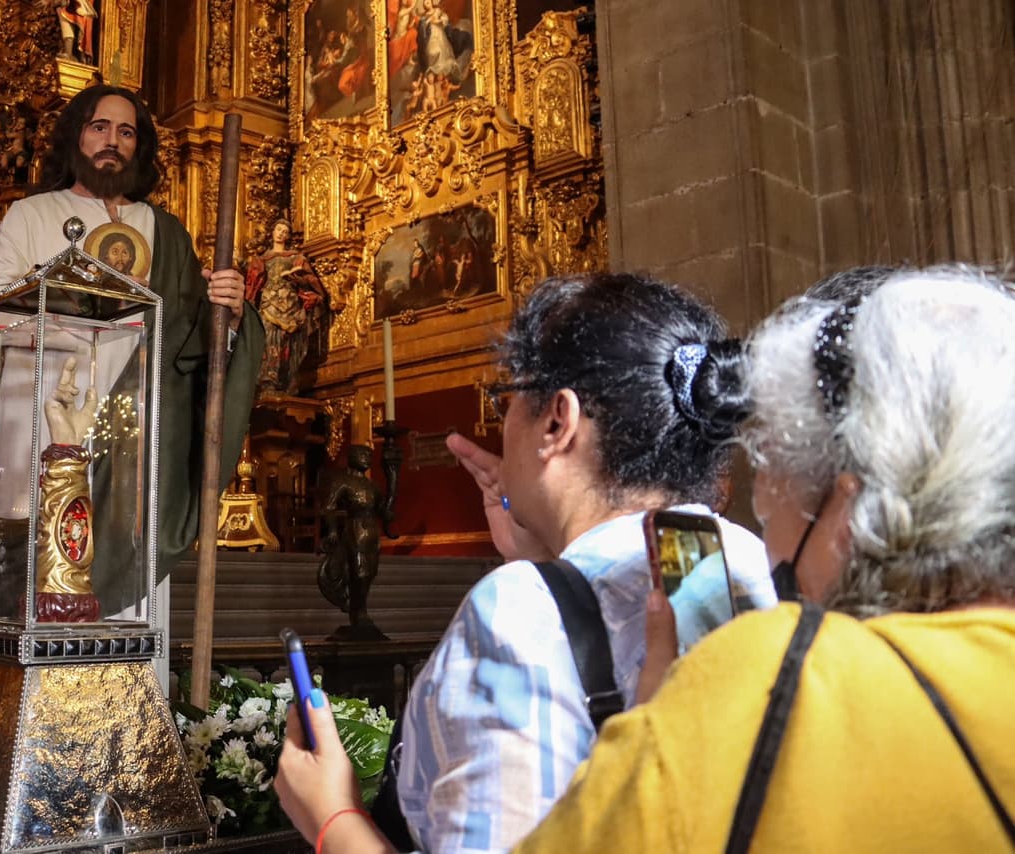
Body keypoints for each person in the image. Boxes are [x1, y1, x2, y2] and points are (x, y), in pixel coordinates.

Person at [509, 264, 1015, 851]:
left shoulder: (769, 683)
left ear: (846, 510)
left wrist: (655, 743)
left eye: (772, 504)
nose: (766, 537)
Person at [277, 271, 776, 852]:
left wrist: (333, 819)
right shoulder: (749, 562)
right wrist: (551, 562)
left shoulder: (516, 615)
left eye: (505, 401)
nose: (501, 425)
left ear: (558, 421)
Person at [0, 83, 265, 586]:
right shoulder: (32, 215)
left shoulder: (164, 231)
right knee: (49, 588)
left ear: (139, 146)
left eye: (126, 132)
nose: (113, 140)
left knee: (137, 598)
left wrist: (231, 315)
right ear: (76, 136)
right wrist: (75, 313)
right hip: (53, 428)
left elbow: (192, 346)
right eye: (100, 127)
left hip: (143, 442)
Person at [244, 218, 327, 395]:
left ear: (288, 236)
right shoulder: (263, 259)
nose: (281, 234)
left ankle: (286, 378)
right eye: (278, 230)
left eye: (285, 232)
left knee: (286, 340)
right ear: (272, 232)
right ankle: (268, 379)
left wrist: (298, 279)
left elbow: (310, 281)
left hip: (289, 304)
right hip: (268, 303)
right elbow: (253, 284)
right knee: (267, 338)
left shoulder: (295, 258)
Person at [317, 444, 391, 634]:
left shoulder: (372, 486)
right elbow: (329, 507)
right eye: (362, 454)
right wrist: (332, 530)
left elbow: (383, 511)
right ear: (352, 457)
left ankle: (360, 608)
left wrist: (392, 489)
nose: (366, 458)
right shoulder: (343, 481)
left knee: (370, 572)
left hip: (372, 532)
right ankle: (358, 612)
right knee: (359, 572)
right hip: (355, 529)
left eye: (369, 455)